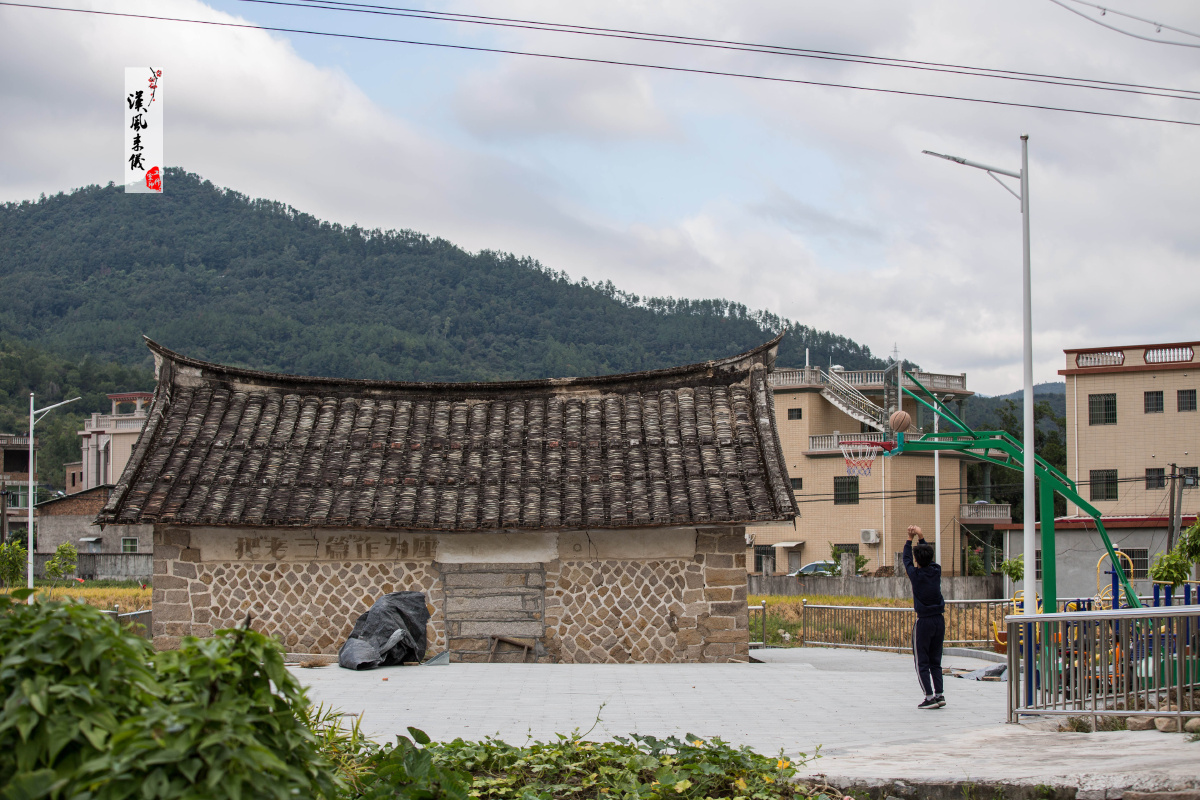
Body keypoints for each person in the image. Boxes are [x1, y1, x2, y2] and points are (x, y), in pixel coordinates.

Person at [903, 525, 945, 709]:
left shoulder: (915, 575)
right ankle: (939, 694)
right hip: (939, 620)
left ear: (916, 560)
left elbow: (906, 560)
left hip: (924, 622)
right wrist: (920, 535)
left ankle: (929, 697)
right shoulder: (936, 571)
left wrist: (908, 539)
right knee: (936, 660)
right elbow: (927, 557)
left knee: (922, 661)